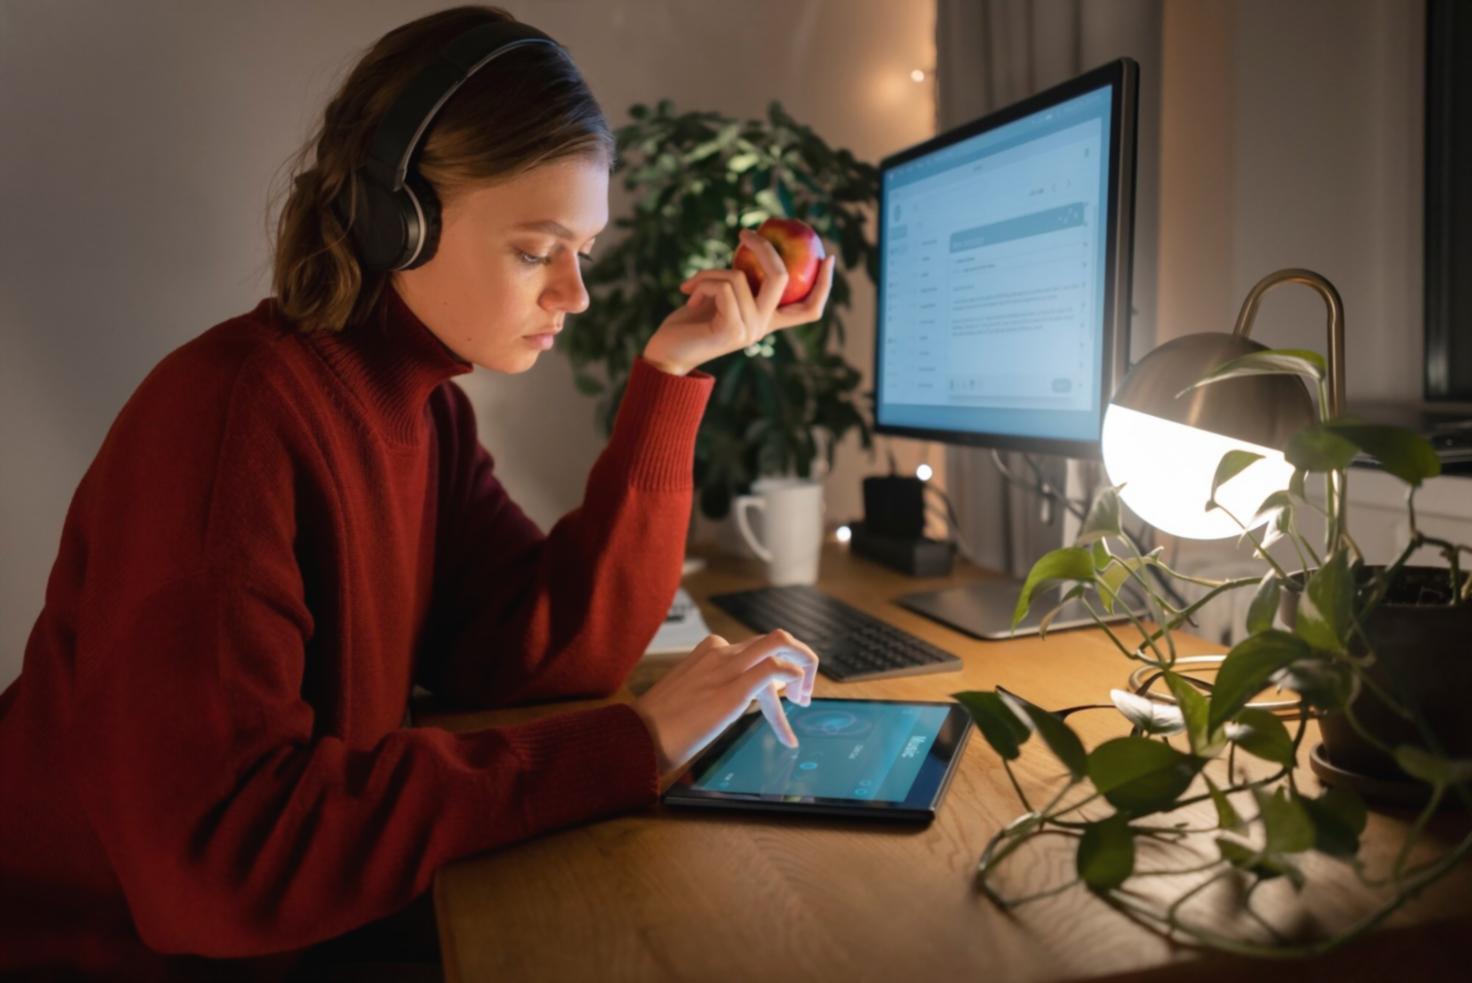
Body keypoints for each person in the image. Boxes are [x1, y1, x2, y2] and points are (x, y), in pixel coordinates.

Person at [0, 5, 834, 977]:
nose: (575, 294)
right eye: (535, 249)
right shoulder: (230, 416)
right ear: (394, 219)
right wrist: (630, 741)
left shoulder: (428, 415)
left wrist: (671, 372)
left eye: (585, 253)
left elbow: (558, 640)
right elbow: (222, 861)